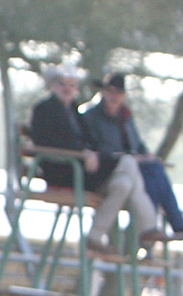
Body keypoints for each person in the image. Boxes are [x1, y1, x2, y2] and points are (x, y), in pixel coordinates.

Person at [31, 68, 162, 254]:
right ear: (53, 86)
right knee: (128, 162)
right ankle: (148, 227)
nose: (67, 89)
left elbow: (89, 140)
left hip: (82, 167)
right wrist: (83, 153)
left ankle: (94, 236)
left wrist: (91, 152)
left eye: (72, 85)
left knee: (123, 184)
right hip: (65, 169)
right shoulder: (44, 109)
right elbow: (47, 142)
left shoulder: (73, 110)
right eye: (63, 84)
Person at [83, 72, 183, 241]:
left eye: (118, 93)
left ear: (123, 96)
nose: (114, 97)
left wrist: (146, 154)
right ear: (103, 93)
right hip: (108, 171)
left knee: (153, 172)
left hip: (129, 171)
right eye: (111, 92)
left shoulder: (125, 117)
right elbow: (97, 150)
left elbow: (136, 144)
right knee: (146, 174)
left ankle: (145, 238)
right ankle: (156, 231)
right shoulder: (91, 117)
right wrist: (130, 156)